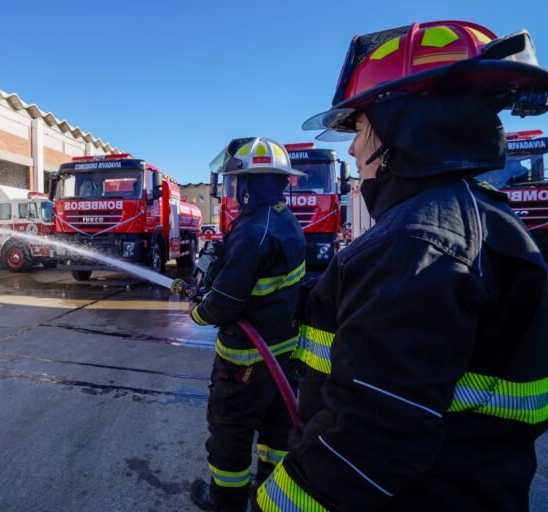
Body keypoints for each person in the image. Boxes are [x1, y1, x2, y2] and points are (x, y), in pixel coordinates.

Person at [254, 21, 548, 511]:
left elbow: (367, 444)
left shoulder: (418, 243)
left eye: (361, 127)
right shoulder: (478, 216)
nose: (352, 149)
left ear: (405, 125)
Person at [179, 137, 307, 511]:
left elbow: (225, 305)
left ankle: (226, 501)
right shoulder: (283, 220)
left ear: (249, 184)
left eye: (235, 180)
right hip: (282, 354)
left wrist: (198, 311)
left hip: (246, 361)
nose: (230, 188)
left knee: (230, 432)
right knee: (275, 430)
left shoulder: (253, 232)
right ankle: (267, 497)